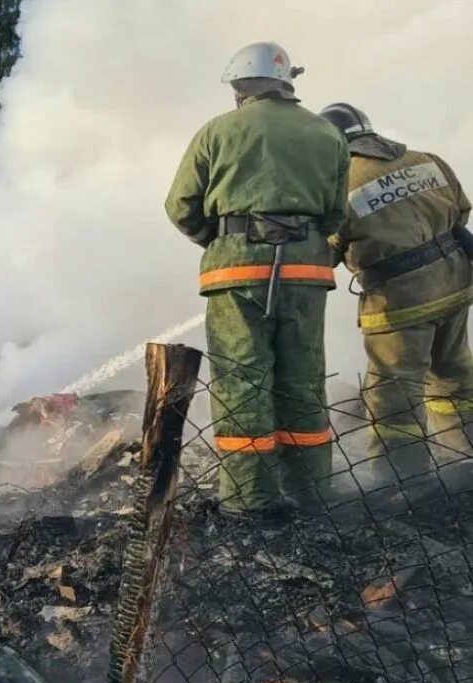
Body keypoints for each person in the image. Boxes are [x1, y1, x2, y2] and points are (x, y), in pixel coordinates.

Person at [164, 42, 350, 521]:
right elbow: (335, 213)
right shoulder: (327, 134)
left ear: (238, 88)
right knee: (303, 379)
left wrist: (225, 238)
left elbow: (180, 205)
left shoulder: (218, 131)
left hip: (237, 273)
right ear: (287, 82)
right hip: (307, 275)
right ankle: (310, 491)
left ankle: (250, 500)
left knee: (242, 380)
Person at [321, 103, 473, 486]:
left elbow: (326, 251)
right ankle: (465, 461)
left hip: (400, 304)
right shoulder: (426, 160)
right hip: (455, 286)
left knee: (394, 393)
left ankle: (402, 481)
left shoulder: (340, 184)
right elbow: (460, 212)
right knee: (454, 377)